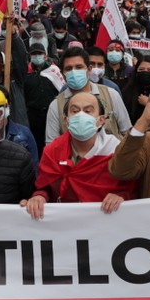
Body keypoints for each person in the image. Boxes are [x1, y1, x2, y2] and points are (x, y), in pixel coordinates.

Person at [23, 90, 135, 219]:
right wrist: (40, 197)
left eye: (88, 111)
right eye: (75, 111)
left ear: (101, 120)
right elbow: (45, 187)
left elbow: (131, 188)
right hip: (66, 222)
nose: (81, 115)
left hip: (105, 221)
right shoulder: (52, 151)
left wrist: (121, 196)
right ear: (66, 120)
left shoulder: (116, 151)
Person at [46, 47, 131, 142]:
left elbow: (126, 132)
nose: (74, 72)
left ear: (89, 69)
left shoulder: (111, 94)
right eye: (68, 68)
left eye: (79, 67)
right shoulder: (56, 105)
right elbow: (51, 144)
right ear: (62, 73)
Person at [121, 53, 150, 125]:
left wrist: (148, 104)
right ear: (136, 72)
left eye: (149, 70)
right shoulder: (128, 91)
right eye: (141, 69)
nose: (145, 72)